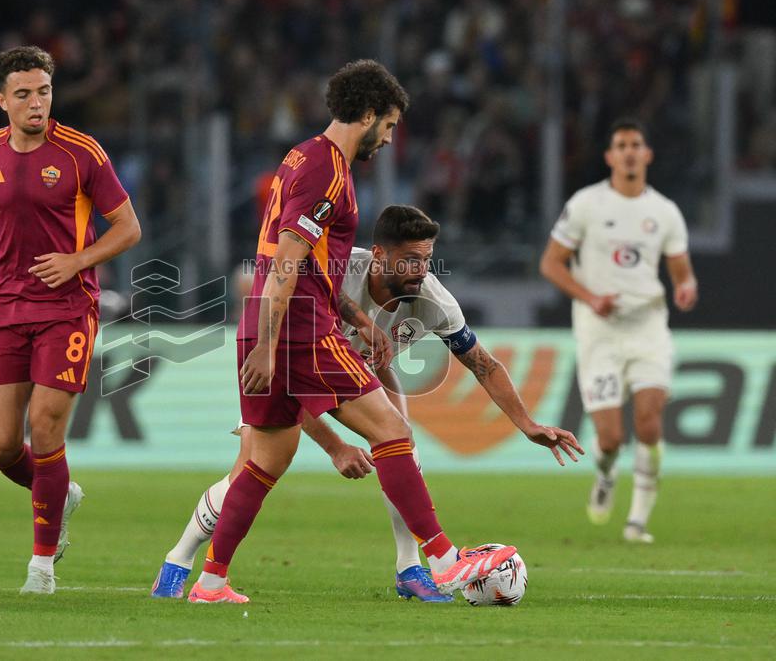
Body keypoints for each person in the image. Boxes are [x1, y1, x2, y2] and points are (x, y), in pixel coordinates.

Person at [184, 60, 581, 604]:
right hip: (297, 323)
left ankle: (210, 581)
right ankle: (441, 560)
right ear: (367, 114)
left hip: (272, 318)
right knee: (393, 433)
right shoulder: (328, 170)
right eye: (389, 125)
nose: (390, 138)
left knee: (265, 461)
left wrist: (339, 323)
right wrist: (273, 346)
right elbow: (288, 262)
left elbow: (299, 262)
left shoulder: (301, 155)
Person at [151, 205, 583, 602]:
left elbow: (484, 365)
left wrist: (526, 424)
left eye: (427, 259)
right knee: (254, 468)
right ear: (378, 256)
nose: (421, 270)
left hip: (359, 373)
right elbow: (289, 336)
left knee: (400, 449)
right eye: (411, 260)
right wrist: (335, 446)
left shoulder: (434, 301)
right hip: (286, 359)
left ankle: (410, 565)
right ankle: (180, 557)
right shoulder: (340, 270)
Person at [0, 46, 141, 593]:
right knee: (2, 446)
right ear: (2, 100)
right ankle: (59, 493)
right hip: (6, 309)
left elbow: (128, 228)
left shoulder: (81, 153)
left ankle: (42, 567)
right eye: (25, 94)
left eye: (45, 91)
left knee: (46, 427)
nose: (37, 103)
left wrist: (78, 261)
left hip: (67, 309)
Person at [540, 117, 697, 544]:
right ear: (610, 156)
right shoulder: (586, 204)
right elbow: (551, 263)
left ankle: (637, 522)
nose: (629, 151)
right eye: (621, 145)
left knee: (649, 422)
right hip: (599, 330)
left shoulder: (664, 212)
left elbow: (681, 271)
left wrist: (686, 287)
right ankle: (606, 475)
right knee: (610, 438)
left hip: (647, 325)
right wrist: (589, 297)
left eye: (636, 144)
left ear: (646, 154)